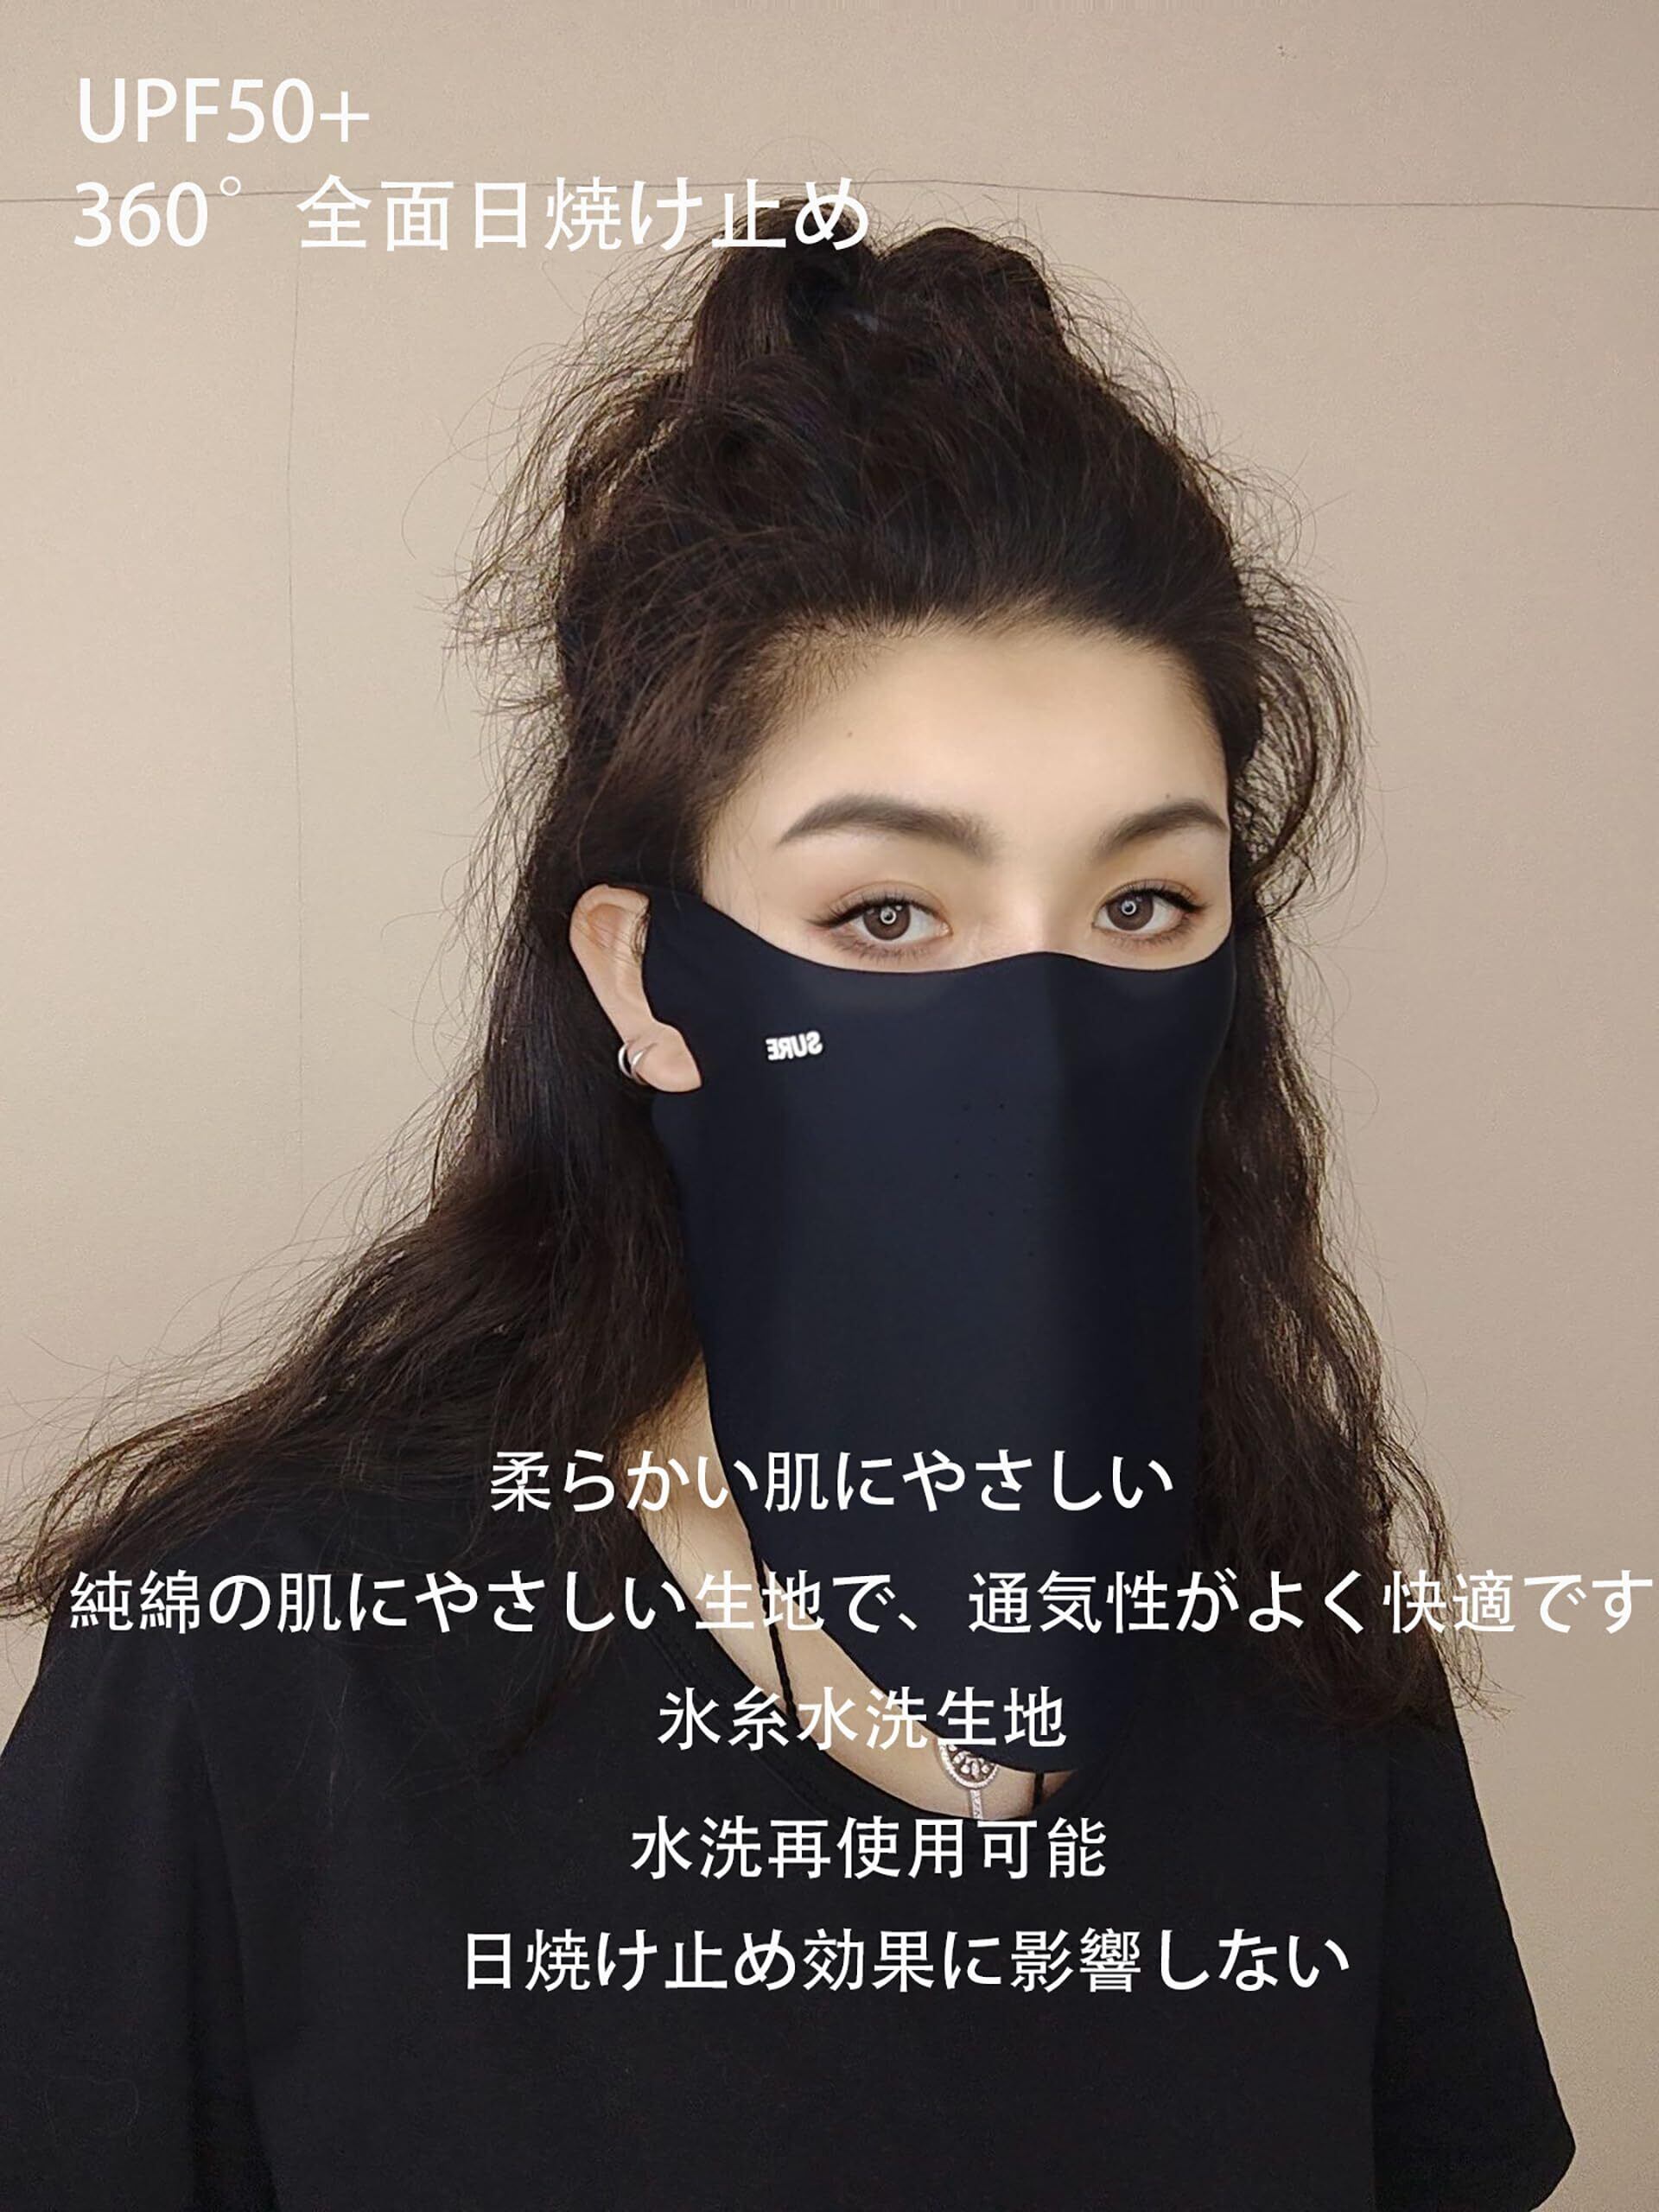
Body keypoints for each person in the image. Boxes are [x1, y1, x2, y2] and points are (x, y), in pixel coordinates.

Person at [0, 201, 1575, 2210]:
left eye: (1142, 901)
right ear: (646, 976)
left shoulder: (1290, 1624)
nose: (1036, 1035)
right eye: (887, 912)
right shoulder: (264, 1666)